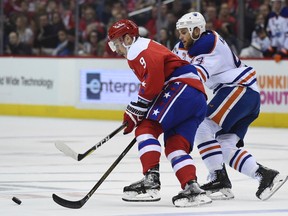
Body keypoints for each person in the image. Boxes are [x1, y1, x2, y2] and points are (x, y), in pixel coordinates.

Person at [173, 12, 288, 201]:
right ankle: (266, 176)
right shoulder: (195, 44)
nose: (181, 36)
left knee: (202, 125)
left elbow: (194, 78)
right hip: (244, 95)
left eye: (184, 32)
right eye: (180, 32)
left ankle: (218, 177)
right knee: (224, 146)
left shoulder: (208, 45)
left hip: (239, 90)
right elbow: (176, 61)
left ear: (196, 30)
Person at [107, 19, 212, 207]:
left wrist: (137, 109)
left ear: (128, 39)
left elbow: (153, 81)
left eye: (116, 44)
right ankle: (192, 188)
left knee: (145, 129)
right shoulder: (145, 47)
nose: (116, 50)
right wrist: (138, 109)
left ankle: (151, 182)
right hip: (194, 97)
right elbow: (154, 82)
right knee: (175, 147)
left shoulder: (138, 49)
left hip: (181, 89)